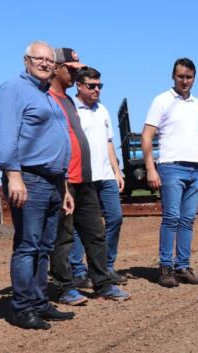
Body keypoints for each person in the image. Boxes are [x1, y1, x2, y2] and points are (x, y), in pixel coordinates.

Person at [0, 41, 75, 329]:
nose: (44, 63)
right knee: (28, 245)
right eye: (38, 58)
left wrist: (63, 187)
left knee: (44, 246)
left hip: (53, 181)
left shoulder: (47, 96)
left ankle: (39, 302)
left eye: (49, 60)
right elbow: (5, 137)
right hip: (29, 177)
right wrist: (14, 176)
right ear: (26, 60)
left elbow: (56, 145)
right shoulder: (12, 90)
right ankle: (23, 308)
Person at [48, 48, 129, 303]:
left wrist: (116, 171)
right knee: (64, 235)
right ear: (56, 68)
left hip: (85, 179)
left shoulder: (69, 103)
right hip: (66, 179)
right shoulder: (48, 100)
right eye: (71, 69)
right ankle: (64, 286)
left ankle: (103, 282)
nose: (75, 73)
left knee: (95, 232)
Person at [142, 57, 198, 288]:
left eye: (189, 77)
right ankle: (166, 267)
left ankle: (182, 266)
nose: (185, 81)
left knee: (188, 220)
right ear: (173, 76)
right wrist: (150, 168)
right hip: (171, 167)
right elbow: (146, 136)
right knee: (172, 218)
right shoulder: (162, 101)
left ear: (194, 78)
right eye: (181, 76)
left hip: (195, 169)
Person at [68, 67, 126, 288]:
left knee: (115, 218)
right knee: (78, 226)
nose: (96, 90)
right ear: (79, 86)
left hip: (106, 175)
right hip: (83, 176)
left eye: (99, 86)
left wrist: (117, 171)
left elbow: (109, 142)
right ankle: (79, 271)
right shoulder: (71, 109)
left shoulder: (102, 110)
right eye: (92, 86)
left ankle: (106, 267)